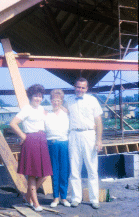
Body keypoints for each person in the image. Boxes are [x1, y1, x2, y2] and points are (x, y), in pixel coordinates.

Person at [10, 84, 53, 212]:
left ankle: (28, 196)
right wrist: (23, 136)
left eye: (40, 96)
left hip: (42, 141)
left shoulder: (42, 109)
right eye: (35, 96)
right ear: (31, 97)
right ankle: (35, 202)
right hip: (31, 141)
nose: (38, 98)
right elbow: (13, 123)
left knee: (44, 175)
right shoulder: (26, 109)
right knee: (33, 175)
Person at [67, 77, 103, 209]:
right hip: (73, 135)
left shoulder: (92, 100)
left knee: (92, 168)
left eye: (83, 87)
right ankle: (76, 198)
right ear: (74, 87)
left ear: (87, 88)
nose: (80, 89)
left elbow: (98, 121)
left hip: (89, 135)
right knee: (74, 168)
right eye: (78, 87)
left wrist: (99, 140)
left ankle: (94, 199)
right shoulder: (68, 101)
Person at [45, 89, 71, 208]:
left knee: (64, 170)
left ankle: (64, 197)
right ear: (51, 101)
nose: (56, 102)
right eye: (54, 100)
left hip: (64, 143)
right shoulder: (46, 114)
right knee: (54, 170)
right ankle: (55, 198)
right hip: (52, 143)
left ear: (61, 101)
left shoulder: (67, 113)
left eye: (58, 100)